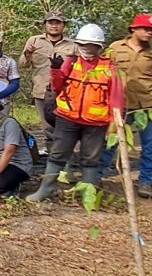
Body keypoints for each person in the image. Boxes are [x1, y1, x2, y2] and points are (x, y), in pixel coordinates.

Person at [27, 24, 125, 202]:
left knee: (90, 159)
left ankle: (88, 195)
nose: (86, 49)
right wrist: (56, 71)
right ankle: (46, 190)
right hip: (67, 118)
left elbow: (116, 98)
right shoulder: (70, 62)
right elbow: (56, 88)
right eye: (83, 45)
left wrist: (114, 124)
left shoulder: (109, 67)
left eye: (91, 45)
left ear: (99, 47)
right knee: (57, 154)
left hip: (96, 122)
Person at [99, 14, 152, 198]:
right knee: (111, 142)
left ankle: (145, 181)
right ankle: (97, 176)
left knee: (149, 146)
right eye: (146, 29)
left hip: (149, 105)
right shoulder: (115, 48)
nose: (149, 33)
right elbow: (103, 73)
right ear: (134, 29)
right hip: (120, 104)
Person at [21, 11, 76, 149]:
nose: (54, 26)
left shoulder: (73, 45)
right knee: (48, 128)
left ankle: (65, 158)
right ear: (45, 24)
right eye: (51, 22)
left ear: (64, 25)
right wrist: (28, 54)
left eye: (58, 23)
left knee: (66, 126)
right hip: (42, 91)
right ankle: (53, 158)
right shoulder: (34, 41)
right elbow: (22, 65)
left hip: (66, 93)